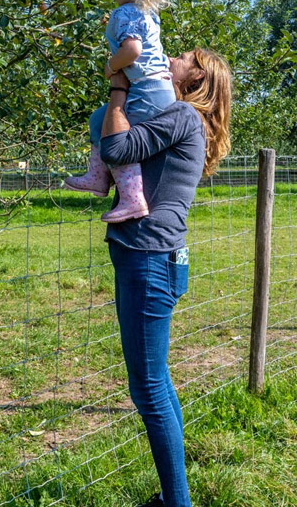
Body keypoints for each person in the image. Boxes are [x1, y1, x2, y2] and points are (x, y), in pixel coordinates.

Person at [98, 48, 232, 507]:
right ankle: (175, 497)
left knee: (150, 390)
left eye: (184, 56)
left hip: (149, 260)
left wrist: (118, 87)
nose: (171, 56)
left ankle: (177, 503)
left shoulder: (180, 116)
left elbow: (114, 148)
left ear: (198, 77)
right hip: (157, 258)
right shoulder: (182, 119)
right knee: (156, 384)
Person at [63, 0, 176, 223]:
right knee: (100, 120)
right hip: (159, 89)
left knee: (118, 138)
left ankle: (132, 198)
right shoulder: (143, 6)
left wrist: (111, 66)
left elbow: (132, 50)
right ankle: (98, 177)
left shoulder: (124, 14)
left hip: (146, 91)